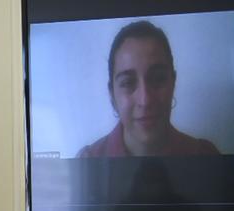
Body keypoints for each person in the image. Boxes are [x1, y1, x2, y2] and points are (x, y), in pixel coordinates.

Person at [78, 20, 220, 157]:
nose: (145, 100)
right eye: (128, 83)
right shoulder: (86, 162)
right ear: (112, 94)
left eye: (158, 79)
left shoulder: (205, 155)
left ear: (173, 83)